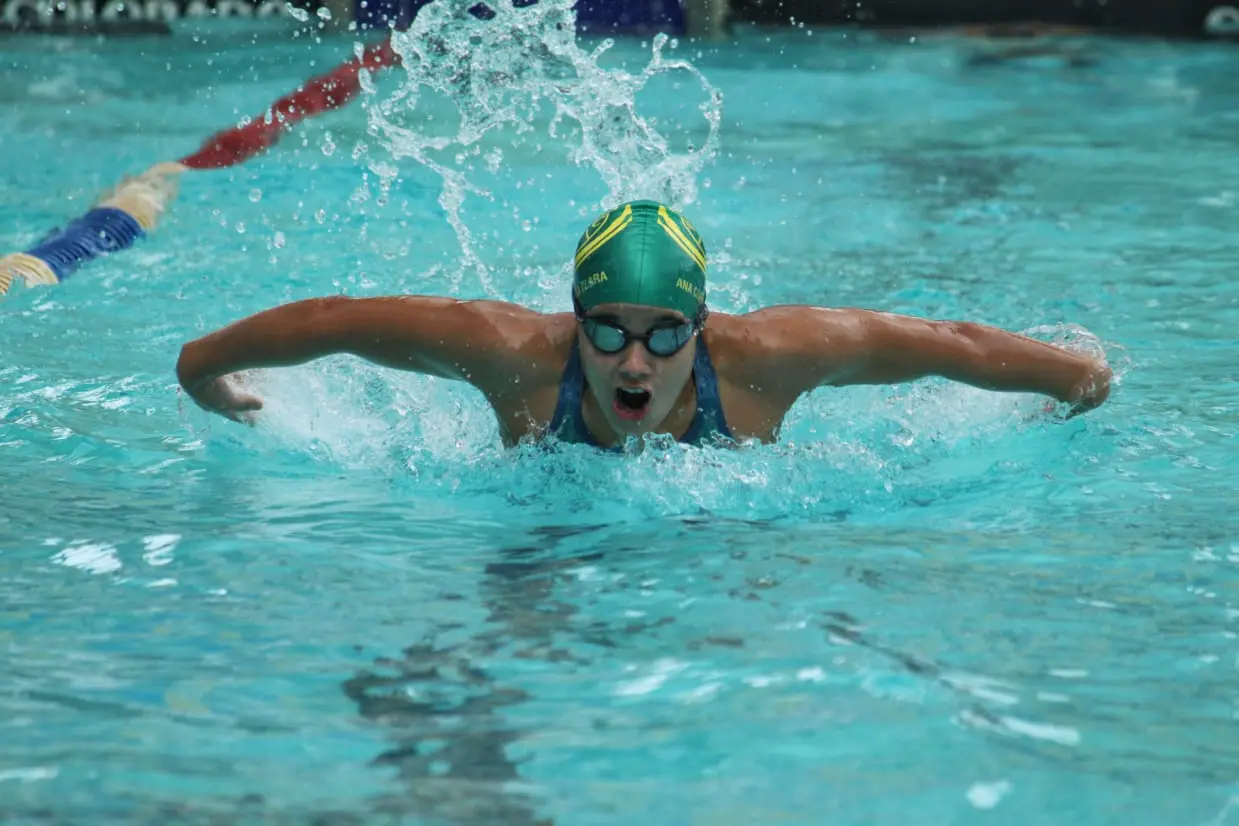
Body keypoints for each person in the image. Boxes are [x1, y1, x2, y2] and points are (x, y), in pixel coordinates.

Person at [176, 199, 1112, 450]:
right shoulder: (513, 357)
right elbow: (337, 321)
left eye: (664, 334)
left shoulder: (766, 359)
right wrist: (202, 373)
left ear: (700, 326)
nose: (633, 361)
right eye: (607, 331)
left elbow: (949, 346)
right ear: (573, 319)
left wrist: (1076, 381)